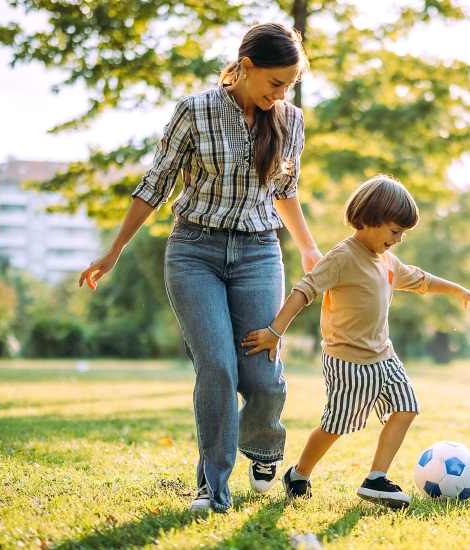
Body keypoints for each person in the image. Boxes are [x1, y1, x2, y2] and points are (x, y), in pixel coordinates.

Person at [78, 22, 322, 514]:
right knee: (216, 367)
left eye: (290, 85)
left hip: (258, 252)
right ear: (245, 68)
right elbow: (156, 184)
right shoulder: (195, 110)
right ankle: (213, 489)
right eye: (275, 83)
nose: (282, 94)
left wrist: (310, 251)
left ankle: (263, 446)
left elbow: (285, 192)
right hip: (195, 252)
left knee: (263, 376)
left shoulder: (289, 120)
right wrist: (115, 250)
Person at [241, 174, 470, 509]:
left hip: (384, 356)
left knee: (406, 408)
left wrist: (459, 290)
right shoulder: (343, 257)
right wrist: (275, 332)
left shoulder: (386, 260)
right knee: (335, 425)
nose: (398, 240)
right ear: (370, 219)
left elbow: (421, 280)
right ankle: (298, 473)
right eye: (395, 231)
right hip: (347, 361)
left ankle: (375, 478)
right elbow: (304, 291)